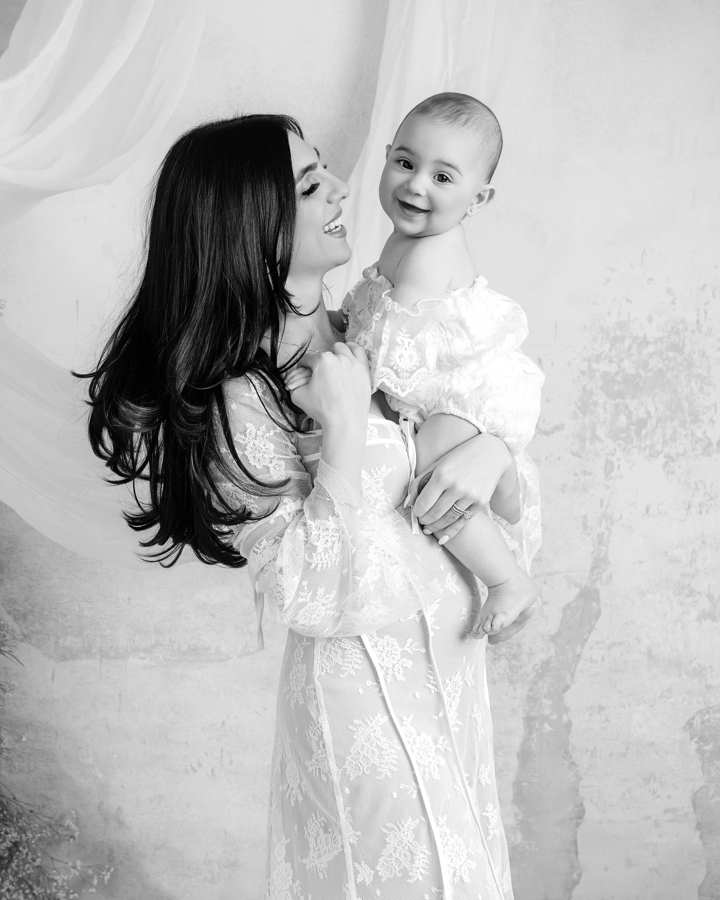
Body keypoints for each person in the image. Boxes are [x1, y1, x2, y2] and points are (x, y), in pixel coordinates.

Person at [80, 113, 540, 899]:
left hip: (450, 677)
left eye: (325, 170)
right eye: (308, 183)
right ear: (251, 222)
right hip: (361, 696)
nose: (342, 189)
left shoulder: (368, 327)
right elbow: (306, 590)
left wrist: (495, 446)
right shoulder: (237, 398)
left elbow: (485, 467)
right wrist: (349, 431)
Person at [340, 92, 544, 637]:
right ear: (386, 157)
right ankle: (503, 485)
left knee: (430, 469)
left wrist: (350, 379)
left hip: (462, 393)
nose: (416, 185)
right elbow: (373, 318)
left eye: (443, 177)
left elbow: (391, 355)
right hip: (443, 388)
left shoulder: (429, 254)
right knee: (433, 456)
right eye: (405, 163)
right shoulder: (405, 239)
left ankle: (507, 580)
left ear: (479, 199)